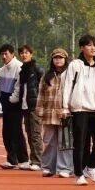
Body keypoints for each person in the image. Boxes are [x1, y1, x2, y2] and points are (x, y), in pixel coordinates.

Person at [61, 35, 95, 186]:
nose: (93, 48)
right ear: (82, 48)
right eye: (89, 45)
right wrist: (65, 107)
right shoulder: (75, 65)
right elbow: (67, 85)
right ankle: (79, 174)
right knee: (81, 143)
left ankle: (90, 167)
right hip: (80, 109)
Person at [34, 49, 72, 177]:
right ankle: (48, 167)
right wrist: (39, 110)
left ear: (65, 59)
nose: (58, 60)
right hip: (49, 114)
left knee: (65, 142)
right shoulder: (47, 76)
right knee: (49, 141)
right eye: (56, 58)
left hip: (65, 114)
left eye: (61, 58)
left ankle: (65, 168)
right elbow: (41, 94)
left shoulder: (70, 75)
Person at [0, 44, 28, 169]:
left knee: (16, 130)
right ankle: (12, 159)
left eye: (6, 54)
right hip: (5, 100)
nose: (4, 56)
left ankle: (23, 159)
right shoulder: (4, 68)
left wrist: (12, 99)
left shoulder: (18, 67)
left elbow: (18, 87)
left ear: (12, 54)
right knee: (6, 131)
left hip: (15, 102)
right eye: (2, 54)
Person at [12, 44, 44, 171]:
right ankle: (33, 159)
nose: (24, 55)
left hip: (35, 105)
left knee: (35, 134)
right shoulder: (22, 71)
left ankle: (38, 161)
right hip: (25, 105)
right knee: (29, 134)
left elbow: (44, 86)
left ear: (31, 54)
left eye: (26, 52)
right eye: (22, 53)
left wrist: (41, 103)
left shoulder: (37, 69)